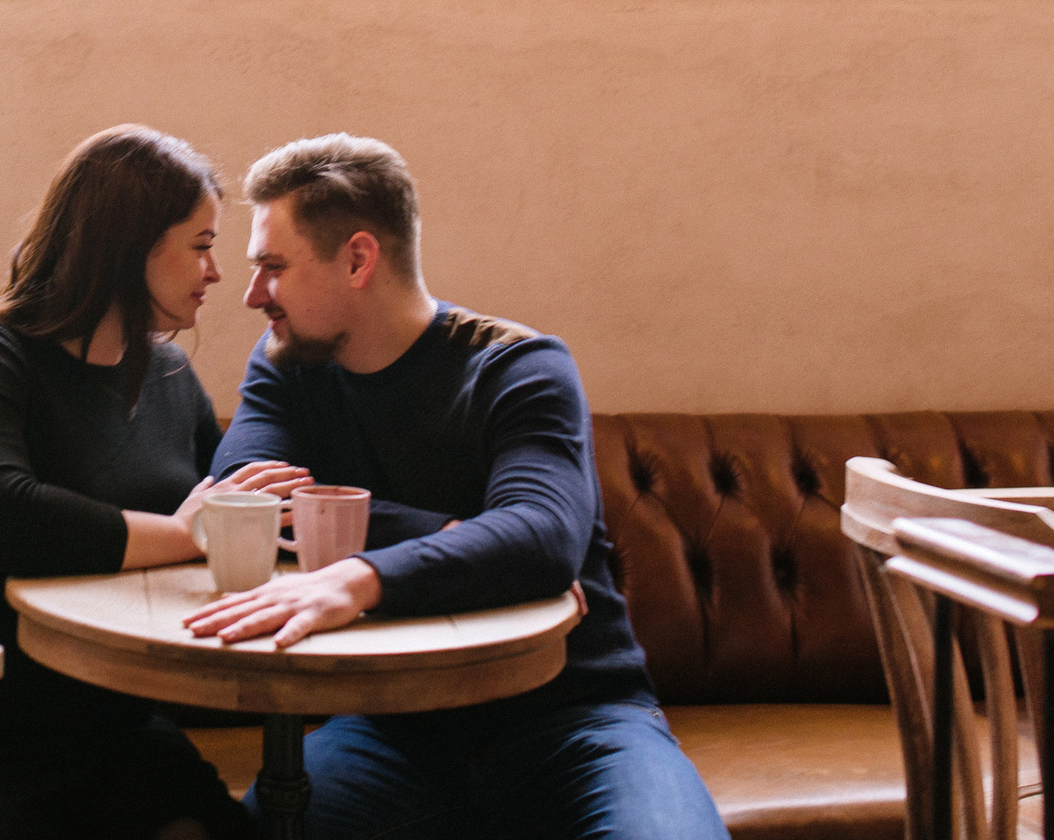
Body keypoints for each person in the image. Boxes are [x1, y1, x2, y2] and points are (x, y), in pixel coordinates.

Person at [187, 133, 728, 840]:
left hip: (572, 716)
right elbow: (248, 497)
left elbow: (543, 537)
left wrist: (359, 575)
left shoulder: (520, 368)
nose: (254, 293)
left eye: (274, 267)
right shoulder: (288, 365)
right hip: (390, 727)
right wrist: (455, 531)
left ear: (358, 258)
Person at [0, 124, 305, 840]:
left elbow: (240, 508)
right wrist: (186, 531)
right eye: (200, 243)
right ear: (129, 243)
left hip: (99, 719)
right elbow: (15, 520)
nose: (217, 270)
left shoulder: (168, 375)